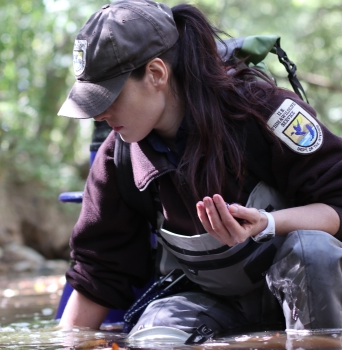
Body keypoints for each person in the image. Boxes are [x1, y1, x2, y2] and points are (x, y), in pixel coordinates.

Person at [57, 0, 342, 336]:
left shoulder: (265, 112)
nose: (97, 115)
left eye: (107, 97)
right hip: (212, 303)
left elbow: (338, 203)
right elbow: (100, 270)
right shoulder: (117, 159)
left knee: (315, 252)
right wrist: (63, 344)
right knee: (155, 337)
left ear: (156, 74)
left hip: (306, 291)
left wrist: (267, 224)